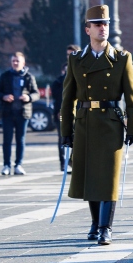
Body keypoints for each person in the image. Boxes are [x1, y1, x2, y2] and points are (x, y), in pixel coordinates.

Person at [60, 5, 133, 245]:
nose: (102, 28)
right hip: (85, 123)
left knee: (108, 177)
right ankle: (95, 223)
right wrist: (66, 132)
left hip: (111, 123)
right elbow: (67, 99)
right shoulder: (76, 60)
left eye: (105, 24)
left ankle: (106, 228)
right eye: (97, 24)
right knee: (90, 178)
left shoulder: (122, 59)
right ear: (88, 29)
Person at [0, 52, 40, 176]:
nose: (15, 63)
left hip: (23, 113)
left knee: (21, 140)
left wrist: (28, 97)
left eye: (17, 61)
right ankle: (6, 165)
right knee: (7, 140)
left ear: (23, 63)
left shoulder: (29, 77)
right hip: (7, 113)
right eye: (13, 61)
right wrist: (4, 96)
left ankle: (18, 164)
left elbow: (36, 94)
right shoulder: (5, 76)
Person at [51, 44, 81, 172]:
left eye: (72, 54)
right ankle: (64, 162)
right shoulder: (62, 78)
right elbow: (58, 95)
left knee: (80, 138)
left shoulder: (84, 71)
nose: (70, 57)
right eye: (68, 55)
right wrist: (58, 110)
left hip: (82, 111)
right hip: (64, 111)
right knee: (64, 136)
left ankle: (77, 162)